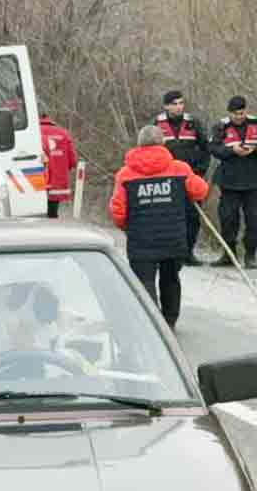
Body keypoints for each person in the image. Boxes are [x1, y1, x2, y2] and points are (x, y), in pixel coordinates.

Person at [109, 126, 209, 329]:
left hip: (141, 240)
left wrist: (126, 227)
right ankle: (170, 321)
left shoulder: (125, 174)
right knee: (171, 279)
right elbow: (200, 191)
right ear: (163, 143)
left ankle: (153, 326)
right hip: (173, 238)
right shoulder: (179, 169)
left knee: (144, 281)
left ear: (139, 144)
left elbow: (118, 211)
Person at [155, 91, 211, 265]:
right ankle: (170, 252)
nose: (179, 106)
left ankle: (188, 252)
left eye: (181, 103)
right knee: (168, 216)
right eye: (174, 103)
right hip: (167, 180)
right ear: (166, 106)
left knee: (192, 217)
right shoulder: (157, 124)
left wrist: (200, 171)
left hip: (190, 178)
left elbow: (205, 148)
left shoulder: (193, 123)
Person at [208, 96, 257, 268]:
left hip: (253, 181)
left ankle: (250, 255)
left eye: (242, 113)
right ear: (230, 113)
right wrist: (232, 150)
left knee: (254, 220)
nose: (239, 117)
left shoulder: (255, 123)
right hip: (229, 181)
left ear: (246, 110)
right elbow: (213, 148)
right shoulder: (221, 127)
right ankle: (228, 254)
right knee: (228, 219)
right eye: (236, 114)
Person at [40, 110, 78, 218]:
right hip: (57, 181)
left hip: (35, 179)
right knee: (52, 214)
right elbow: (72, 160)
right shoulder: (63, 133)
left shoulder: (31, 132)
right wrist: (62, 169)